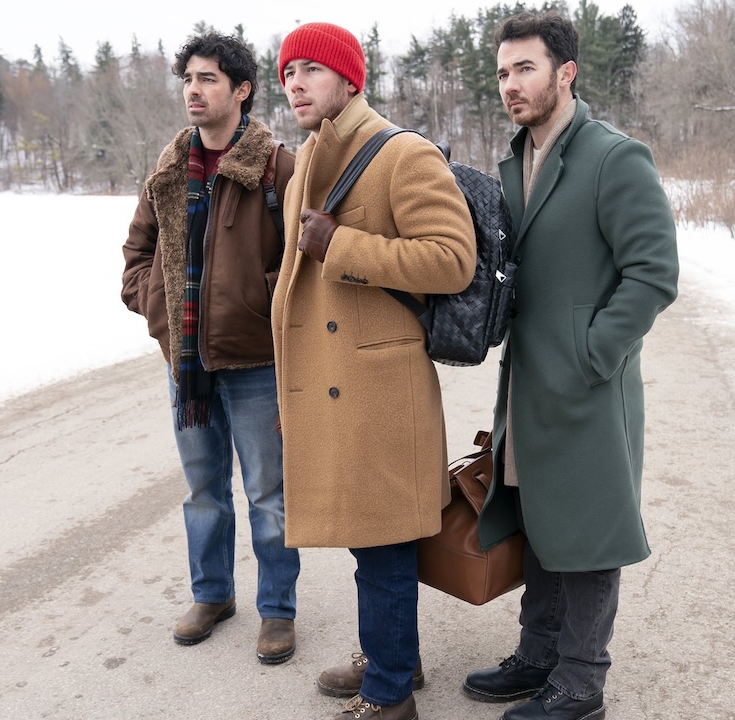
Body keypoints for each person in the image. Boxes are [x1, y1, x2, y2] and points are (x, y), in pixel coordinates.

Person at [466, 10, 680, 720]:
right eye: (502, 72)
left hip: (587, 386)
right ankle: (538, 655)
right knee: (538, 516)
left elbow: (653, 273)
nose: (510, 84)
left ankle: (582, 681)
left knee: (587, 528)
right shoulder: (516, 161)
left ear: (566, 72)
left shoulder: (615, 157)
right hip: (527, 384)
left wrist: (594, 353)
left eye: (524, 68)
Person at [271, 22, 477, 720]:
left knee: (384, 542)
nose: (294, 84)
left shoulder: (401, 153)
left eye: (310, 69)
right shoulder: (307, 161)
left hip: (380, 389)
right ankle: (393, 657)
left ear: (349, 78)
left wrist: (343, 244)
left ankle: (390, 697)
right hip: (333, 384)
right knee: (368, 541)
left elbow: (453, 259)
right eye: (287, 73)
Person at [119, 31, 301, 665]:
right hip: (187, 364)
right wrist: (159, 307)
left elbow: (301, 264)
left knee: (268, 494)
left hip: (256, 364)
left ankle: (277, 609)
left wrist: (256, 303)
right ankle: (213, 594)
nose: (193, 91)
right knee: (202, 490)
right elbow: (136, 254)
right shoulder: (169, 171)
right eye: (188, 80)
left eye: (208, 79)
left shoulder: (277, 167)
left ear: (241, 90)